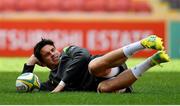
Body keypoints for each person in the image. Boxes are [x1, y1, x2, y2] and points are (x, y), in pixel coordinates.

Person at [21, 35, 170, 93]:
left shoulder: (68, 51)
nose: (53, 54)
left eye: (53, 49)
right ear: (42, 62)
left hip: (105, 66)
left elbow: (84, 55)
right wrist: (30, 63)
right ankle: (153, 60)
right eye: (47, 54)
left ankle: (143, 43)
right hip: (113, 82)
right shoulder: (52, 81)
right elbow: (26, 85)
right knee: (103, 89)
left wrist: (62, 84)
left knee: (93, 67)